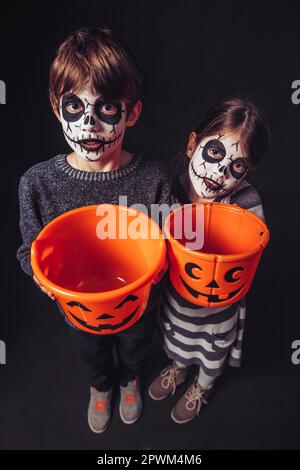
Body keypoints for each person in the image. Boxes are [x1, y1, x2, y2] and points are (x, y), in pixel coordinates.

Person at [16, 26, 171, 433]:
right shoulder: (38, 183)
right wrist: (41, 276)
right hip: (79, 309)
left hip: (138, 303)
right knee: (91, 352)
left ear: (131, 112)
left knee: (136, 345)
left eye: (106, 110)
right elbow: (28, 248)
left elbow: (170, 237)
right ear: (56, 105)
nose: (88, 126)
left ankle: (130, 380)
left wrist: (162, 262)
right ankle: (101, 387)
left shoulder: (153, 176)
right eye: (74, 107)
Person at [148, 97, 270, 424]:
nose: (220, 172)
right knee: (176, 337)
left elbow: (251, 250)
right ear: (192, 145)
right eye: (215, 153)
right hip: (178, 298)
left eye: (237, 166)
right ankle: (178, 367)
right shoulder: (169, 194)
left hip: (219, 306)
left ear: (246, 173)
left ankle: (203, 385)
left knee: (212, 350)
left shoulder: (247, 201)